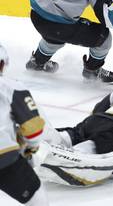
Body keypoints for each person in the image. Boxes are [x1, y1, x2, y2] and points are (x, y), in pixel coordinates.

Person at [0, 43, 49, 205]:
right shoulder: (10, 86)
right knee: (37, 199)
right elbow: (33, 129)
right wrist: (30, 148)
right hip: (4, 156)